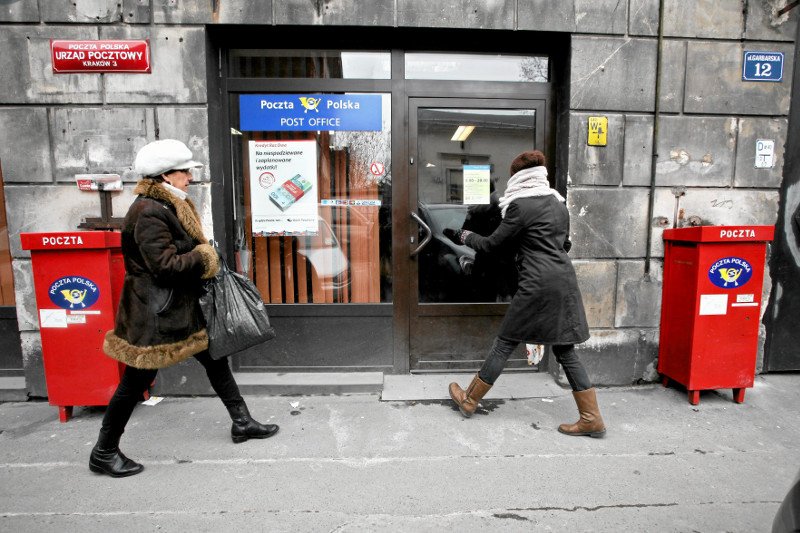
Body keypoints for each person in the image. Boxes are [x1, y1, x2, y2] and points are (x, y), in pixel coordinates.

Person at [89, 139, 279, 478]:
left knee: (216, 360)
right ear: (166, 176)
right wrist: (204, 256)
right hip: (155, 314)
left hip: (178, 307)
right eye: (185, 172)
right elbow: (164, 266)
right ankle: (104, 451)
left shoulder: (167, 205)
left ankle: (242, 422)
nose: (190, 177)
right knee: (136, 380)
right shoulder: (148, 212)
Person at [444, 150, 606, 438]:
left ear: (517, 177)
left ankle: (469, 400)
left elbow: (492, 244)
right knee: (565, 349)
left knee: (505, 342)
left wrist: (463, 235)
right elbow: (564, 244)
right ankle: (591, 418)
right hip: (563, 280)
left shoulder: (520, 206)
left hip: (536, 283)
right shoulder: (558, 204)